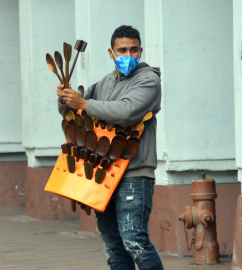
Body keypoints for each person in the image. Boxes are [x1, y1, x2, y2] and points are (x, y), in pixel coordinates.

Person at [57, 25, 163, 270]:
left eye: (134, 50)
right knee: (114, 246)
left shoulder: (148, 80)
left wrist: (84, 102)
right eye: (122, 50)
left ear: (141, 51)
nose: (129, 55)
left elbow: (127, 112)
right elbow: (78, 111)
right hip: (103, 172)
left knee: (134, 240)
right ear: (111, 52)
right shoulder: (105, 82)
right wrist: (65, 99)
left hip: (134, 175)